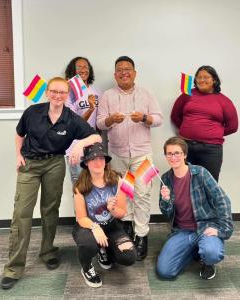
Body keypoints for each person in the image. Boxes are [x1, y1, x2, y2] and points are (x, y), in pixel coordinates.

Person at [0, 77, 102, 290]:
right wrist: (18, 155)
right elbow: (19, 135)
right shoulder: (32, 112)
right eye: (54, 92)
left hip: (55, 164)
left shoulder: (71, 118)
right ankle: (14, 268)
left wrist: (79, 144)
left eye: (62, 93)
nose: (58, 96)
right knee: (21, 214)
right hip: (29, 165)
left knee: (50, 210)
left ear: (67, 95)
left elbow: (96, 138)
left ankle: (47, 251)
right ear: (47, 92)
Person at [96, 56, 163, 261]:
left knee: (142, 193)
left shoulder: (147, 94)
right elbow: (99, 124)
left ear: (135, 73)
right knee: (123, 193)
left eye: (128, 69)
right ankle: (126, 227)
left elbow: (159, 119)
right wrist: (110, 120)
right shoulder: (107, 95)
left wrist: (144, 118)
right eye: (120, 70)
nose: (124, 72)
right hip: (117, 154)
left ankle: (141, 234)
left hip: (143, 154)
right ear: (115, 74)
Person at [156, 137, 233, 280]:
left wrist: (223, 230)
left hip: (205, 227)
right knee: (165, 271)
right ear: (166, 156)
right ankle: (195, 250)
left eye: (177, 153)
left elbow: (223, 200)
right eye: (169, 154)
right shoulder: (166, 178)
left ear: (185, 155)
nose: (173, 157)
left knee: (212, 253)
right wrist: (166, 201)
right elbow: (167, 213)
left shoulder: (200, 173)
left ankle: (207, 261)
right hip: (182, 230)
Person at [72, 142, 136, 288]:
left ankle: (105, 249)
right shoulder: (80, 186)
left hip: (111, 225)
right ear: (86, 163)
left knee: (129, 256)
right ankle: (87, 268)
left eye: (101, 158)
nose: (97, 162)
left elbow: (122, 212)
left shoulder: (116, 180)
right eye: (93, 159)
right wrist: (95, 227)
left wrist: (112, 209)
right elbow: (81, 218)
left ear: (106, 162)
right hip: (87, 226)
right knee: (89, 245)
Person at [170, 65, 238, 182]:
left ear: (214, 80)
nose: (202, 80)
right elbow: (175, 116)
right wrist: (188, 129)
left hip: (211, 150)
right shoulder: (187, 95)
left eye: (206, 77)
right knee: (183, 182)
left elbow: (233, 126)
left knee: (209, 184)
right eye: (199, 77)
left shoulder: (224, 101)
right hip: (186, 146)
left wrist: (214, 133)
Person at [64, 57, 104, 185]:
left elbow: (100, 121)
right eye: (79, 67)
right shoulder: (69, 93)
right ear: (72, 70)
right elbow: (73, 125)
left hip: (94, 147)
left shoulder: (97, 93)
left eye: (86, 66)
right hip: (75, 148)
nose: (83, 69)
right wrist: (90, 109)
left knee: (96, 187)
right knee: (80, 188)